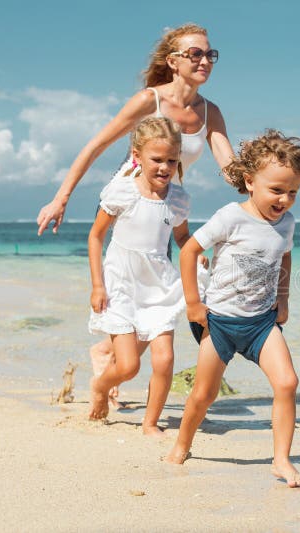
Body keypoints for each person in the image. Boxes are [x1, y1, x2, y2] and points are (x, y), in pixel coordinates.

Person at [35, 23, 234, 405]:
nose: (205, 60)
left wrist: (267, 183)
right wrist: (61, 198)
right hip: (127, 199)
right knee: (131, 288)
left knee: (155, 297)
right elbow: (96, 145)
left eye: (210, 54)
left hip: (165, 205)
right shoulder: (149, 100)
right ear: (173, 61)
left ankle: (107, 356)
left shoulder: (210, 112)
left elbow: (229, 168)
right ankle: (114, 360)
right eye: (196, 53)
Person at [164, 130, 300, 488]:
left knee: (287, 382)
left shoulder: (287, 224)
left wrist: (284, 299)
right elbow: (189, 251)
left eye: (293, 191)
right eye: (277, 190)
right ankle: (182, 444)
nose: (285, 199)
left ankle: (281, 459)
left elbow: (285, 257)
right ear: (250, 181)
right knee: (204, 395)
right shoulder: (231, 217)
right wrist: (193, 304)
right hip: (220, 324)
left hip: (262, 323)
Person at [87, 116, 189, 434]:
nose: (164, 167)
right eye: (157, 159)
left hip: (159, 285)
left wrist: (197, 258)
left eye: (172, 160)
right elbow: (95, 237)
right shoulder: (122, 193)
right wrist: (97, 285)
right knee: (128, 367)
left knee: (164, 359)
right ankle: (101, 388)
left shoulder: (178, 200)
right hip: (121, 284)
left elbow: (183, 238)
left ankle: (150, 422)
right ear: (138, 154)